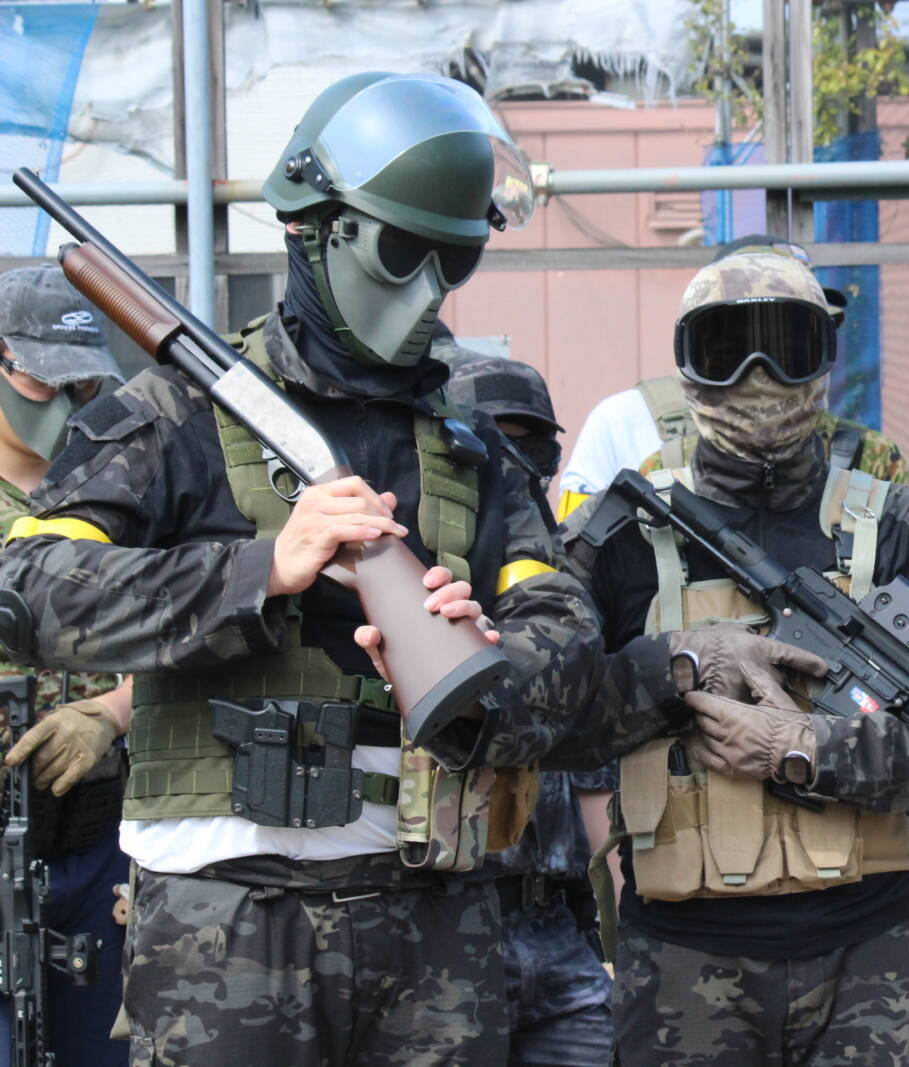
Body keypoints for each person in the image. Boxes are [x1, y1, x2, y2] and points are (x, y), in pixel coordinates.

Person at [0, 72, 813, 1067]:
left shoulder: (471, 450)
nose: (429, 289)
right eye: (401, 252)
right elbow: (27, 592)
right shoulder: (174, 417)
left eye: (453, 258)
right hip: (224, 924)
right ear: (314, 228)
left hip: (436, 916)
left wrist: (483, 657)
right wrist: (259, 571)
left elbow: (567, 648)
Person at [565, 252, 909, 1066]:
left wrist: (808, 748)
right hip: (682, 961)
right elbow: (549, 717)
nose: (758, 376)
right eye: (727, 350)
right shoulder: (618, 535)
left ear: (823, 358)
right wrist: (679, 664)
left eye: (786, 348)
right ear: (688, 366)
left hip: (866, 953)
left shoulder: (901, 529)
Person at [442, 350, 615, 1067]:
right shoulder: (429, 571)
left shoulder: (570, 584)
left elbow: (599, 785)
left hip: (557, 922)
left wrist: (614, 941)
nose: (514, 460)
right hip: (450, 921)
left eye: (528, 441)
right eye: (495, 439)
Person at [0, 265, 130, 1066]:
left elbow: (189, 632)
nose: (65, 405)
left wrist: (114, 712)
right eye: (43, 383)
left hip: (99, 839)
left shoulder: (122, 483)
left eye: (81, 385)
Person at [556, 236, 909, 520]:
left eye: (790, 346)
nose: (761, 372)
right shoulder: (658, 461)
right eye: (735, 349)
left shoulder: (870, 457)